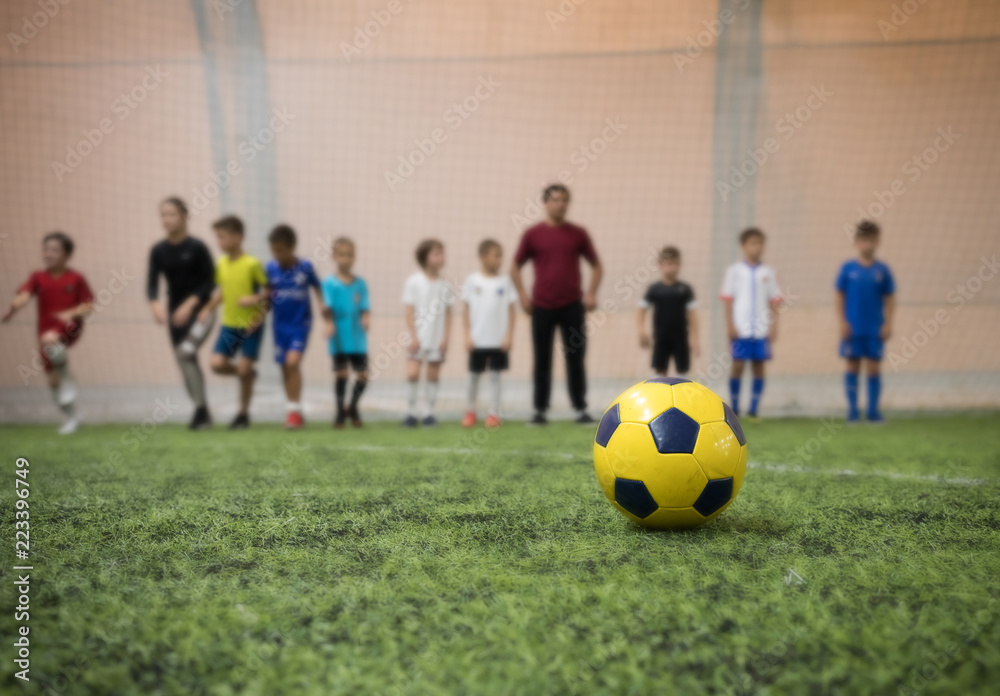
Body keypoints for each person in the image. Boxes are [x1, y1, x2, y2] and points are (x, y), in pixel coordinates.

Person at [511, 184, 602, 425]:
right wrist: (522, 295)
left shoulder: (578, 234)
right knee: (542, 358)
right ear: (545, 203)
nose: (560, 204)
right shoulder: (533, 234)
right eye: (555, 200)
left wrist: (591, 293)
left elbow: (597, 265)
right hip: (541, 307)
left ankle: (580, 408)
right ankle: (540, 410)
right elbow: (514, 266)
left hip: (573, 306)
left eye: (564, 200)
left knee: (575, 357)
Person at [2, 232, 94, 434]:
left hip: (70, 328)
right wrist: (13, 307)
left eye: (55, 250)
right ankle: (72, 416)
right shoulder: (38, 277)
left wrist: (71, 312)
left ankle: (66, 375)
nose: (48, 253)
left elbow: (89, 306)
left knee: (52, 340)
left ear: (67, 255)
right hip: (45, 331)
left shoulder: (76, 278)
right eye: (46, 249)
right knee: (52, 381)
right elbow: (23, 295)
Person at [147, 197, 216, 429]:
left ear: (185, 216)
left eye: (172, 214)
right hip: (175, 315)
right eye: (163, 214)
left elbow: (210, 281)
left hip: (202, 312)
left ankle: (200, 410)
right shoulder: (158, 250)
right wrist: (154, 302)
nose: (167, 219)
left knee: (186, 352)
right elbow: (152, 283)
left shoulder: (197, 247)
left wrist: (191, 303)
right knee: (184, 359)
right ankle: (202, 410)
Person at [199, 215, 268, 429]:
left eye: (222, 237)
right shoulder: (221, 264)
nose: (218, 242)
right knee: (216, 364)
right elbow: (223, 292)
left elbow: (270, 293)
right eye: (217, 238)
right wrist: (207, 308)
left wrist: (254, 300)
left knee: (244, 369)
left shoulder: (252, 264)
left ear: (237, 237)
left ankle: (243, 414)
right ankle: (246, 373)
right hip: (229, 324)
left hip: (250, 325)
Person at [836, 220, 896, 423]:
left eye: (871, 241)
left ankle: (872, 412)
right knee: (852, 366)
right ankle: (853, 411)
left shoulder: (882, 271)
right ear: (856, 242)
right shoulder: (848, 269)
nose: (867, 245)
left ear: (877, 242)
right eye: (863, 241)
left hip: (874, 328)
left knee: (873, 368)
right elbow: (839, 296)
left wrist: (888, 323)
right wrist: (842, 321)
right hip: (852, 328)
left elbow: (890, 298)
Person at [720, 227, 783, 418]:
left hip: (761, 330)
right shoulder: (734, 271)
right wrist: (730, 325)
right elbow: (728, 299)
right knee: (738, 366)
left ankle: (754, 409)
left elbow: (774, 300)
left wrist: (773, 325)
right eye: (753, 243)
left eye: (760, 243)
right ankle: (735, 408)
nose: (757, 247)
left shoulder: (768, 272)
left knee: (759, 366)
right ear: (743, 246)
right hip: (741, 329)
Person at [266, 224, 323, 429]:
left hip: (300, 324)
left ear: (292, 247)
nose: (276, 254)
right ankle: (294, 410)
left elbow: (318, 286)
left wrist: (322, 304)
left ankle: (293, 410)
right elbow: (267, 296)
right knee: (284, 366)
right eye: (273, 250)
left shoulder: (305, 267)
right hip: (279, 327)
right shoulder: (270, 269)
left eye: (280, 250)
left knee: (292, 362)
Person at [461, 239, 517, 428]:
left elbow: (511, 310)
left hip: (498, 341)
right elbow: (466, 309)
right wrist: (467, 335)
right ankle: (470, 411)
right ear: (483, 257)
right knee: (473, 377)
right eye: (496, 255)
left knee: (495, 377)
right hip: (477, 341)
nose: (500, 260)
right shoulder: (472, 281)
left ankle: (493, 414)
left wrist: (509, 335)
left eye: (501, 256)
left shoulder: (506, 281)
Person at [402, 239, 455, 427]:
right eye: (437, 253)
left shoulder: (446, 285)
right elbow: (409, 311)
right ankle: (410, 413)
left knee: (433, 375)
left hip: (436, 338)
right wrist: (414, 336)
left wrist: (446, 338)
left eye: (442, 253)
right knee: (412, 373)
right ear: (425, 258)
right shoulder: (413, 282)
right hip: (417, 338)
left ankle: (429, 413)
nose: (442, 257)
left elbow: (449, 314)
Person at [321, 237, 371, 428]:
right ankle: (340, 412)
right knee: (341, 374)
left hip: (358, 339)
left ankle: (354, 406)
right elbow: (327, 309)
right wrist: (328, 323)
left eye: (350, 255)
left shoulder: (361, 284)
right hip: (338, 338)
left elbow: (365, 306)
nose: (346, 259)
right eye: (342, 255)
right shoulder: (329, 284)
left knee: (363, 375)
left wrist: (366, 318)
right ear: (334, 256)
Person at [638, 246, 700, 376]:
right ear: (660, 265)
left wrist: (695, 339)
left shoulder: (685, 289)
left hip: (681, 338)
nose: (674, 267)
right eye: (670, 264)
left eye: (677, 264)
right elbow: (641, 310)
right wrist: (641, 330)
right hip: (661, 338)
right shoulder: (654, 289)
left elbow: (692, 315)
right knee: (660, 374)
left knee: (683, 373)